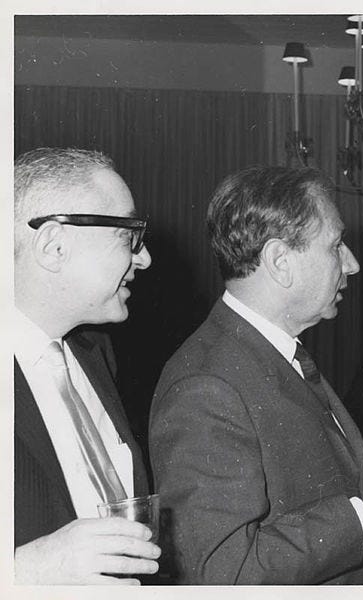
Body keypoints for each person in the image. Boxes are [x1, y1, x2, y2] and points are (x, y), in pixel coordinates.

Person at [149, 165, 363, 585]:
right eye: (336, 245)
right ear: (279, 261)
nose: (353, 264)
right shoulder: (206, 386)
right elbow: (221, 574)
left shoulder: (273, 354)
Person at [13, 147, 160, 584]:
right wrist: (25, 570)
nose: (144, 257)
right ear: (54, 246)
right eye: (128, 235)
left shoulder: (96, 354)